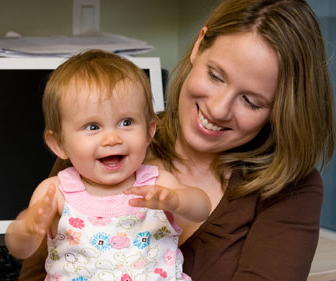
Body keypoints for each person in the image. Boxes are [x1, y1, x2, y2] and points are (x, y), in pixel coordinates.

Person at [18, 0, 335, 280]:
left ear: (280, 109)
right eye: (215, 75)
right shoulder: (102, 149)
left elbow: (194, 205)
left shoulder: (291, 187)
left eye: (251, 101)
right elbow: (36, 268)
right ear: (199, 45)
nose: (218, 109)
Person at [6, 49, 211, 281]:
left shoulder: (157, 182)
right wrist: (29, 228)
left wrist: (177, 201)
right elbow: (19, 249)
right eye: (93, 127)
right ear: (59, 144)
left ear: (149, 132)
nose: (112, 138)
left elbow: (201, 209)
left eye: (126, 122)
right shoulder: (56, 193)